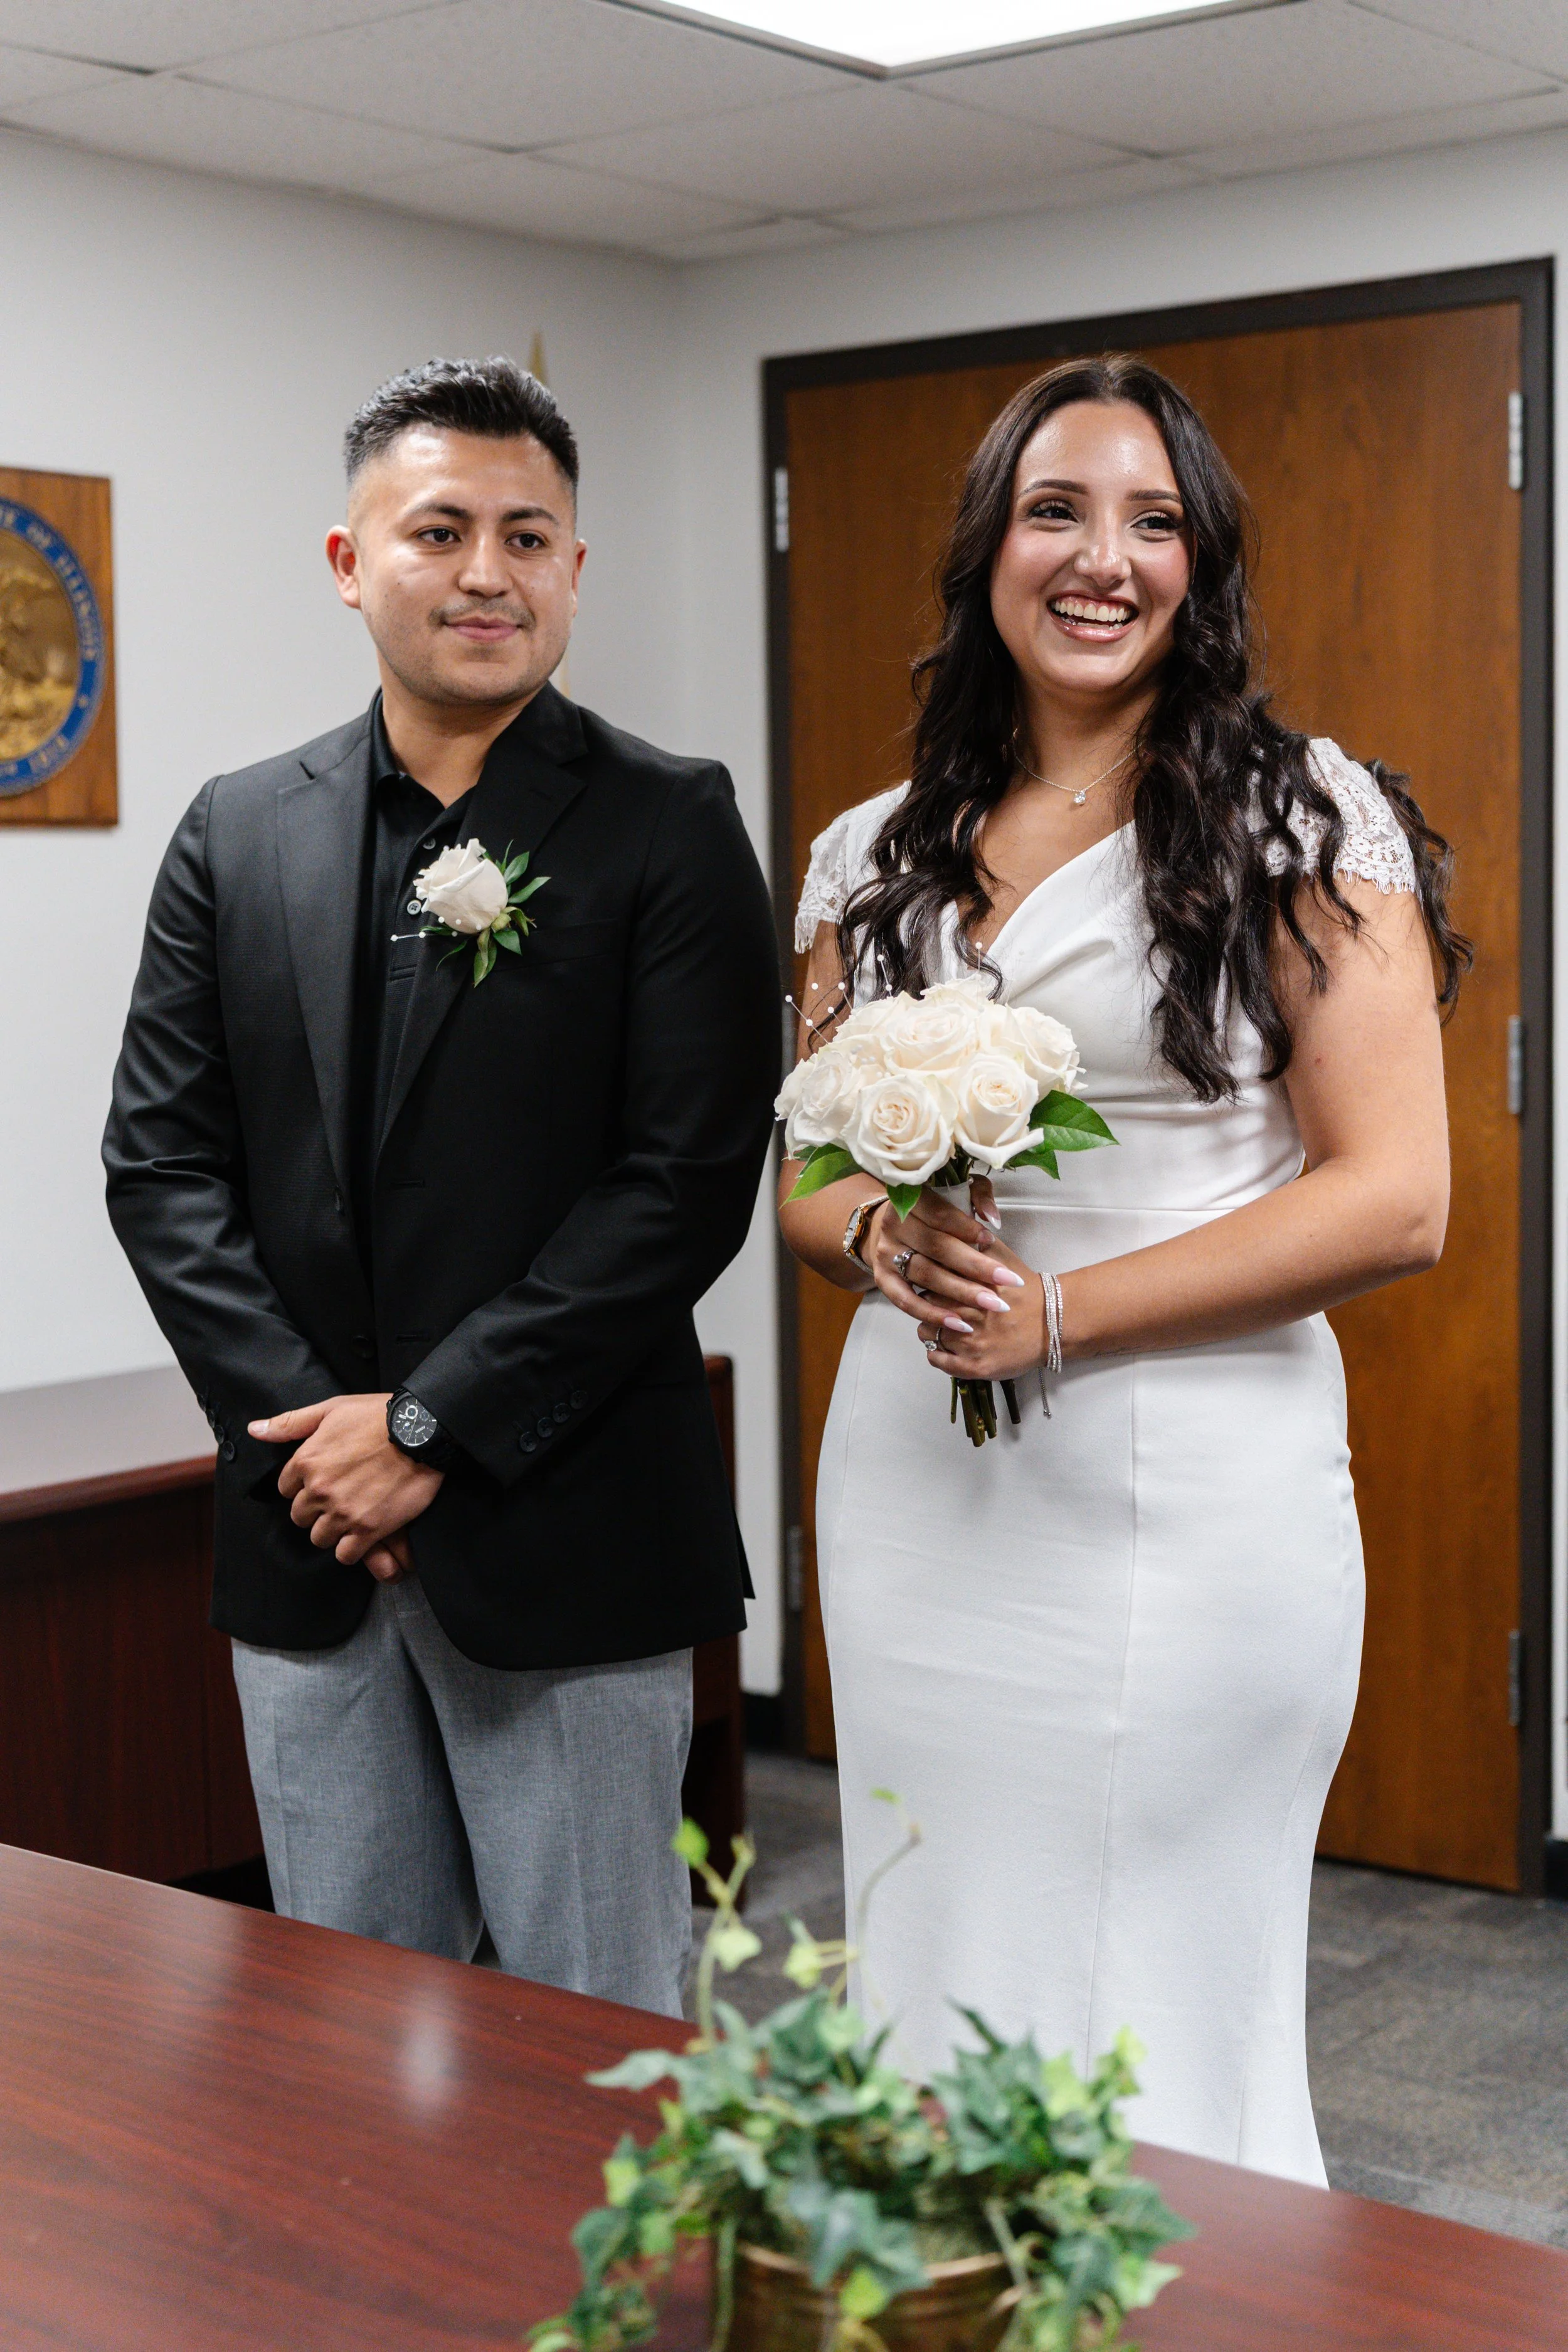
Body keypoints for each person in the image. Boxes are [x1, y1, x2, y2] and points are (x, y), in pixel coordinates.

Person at [780, 356, 1466, 2180]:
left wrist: (1061, 1310)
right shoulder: (868, 851)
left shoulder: (1297, 819)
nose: (1103, 558)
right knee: (937, 1941)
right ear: (988, 551)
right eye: (1057, 511)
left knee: (1157, 1989)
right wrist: (887, 1237)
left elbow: (1396, 1193)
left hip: (1191, 1488)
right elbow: (799, 1175)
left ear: (1202, 564)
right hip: (924, 1485)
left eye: (1152, 520)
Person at [105, 357, 778, 2015]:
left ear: (572, 569)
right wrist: (319, 1443)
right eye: (441, 528)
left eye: (528, 535)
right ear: (351, 559)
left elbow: (682, 1178)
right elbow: (161, 1162)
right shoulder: (237, 829)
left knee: (591, 2018)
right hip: (309, 1536)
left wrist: (427, 1427)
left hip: (562, 1521)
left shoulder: (666, 825)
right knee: (345, 2013)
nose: (487, 571)